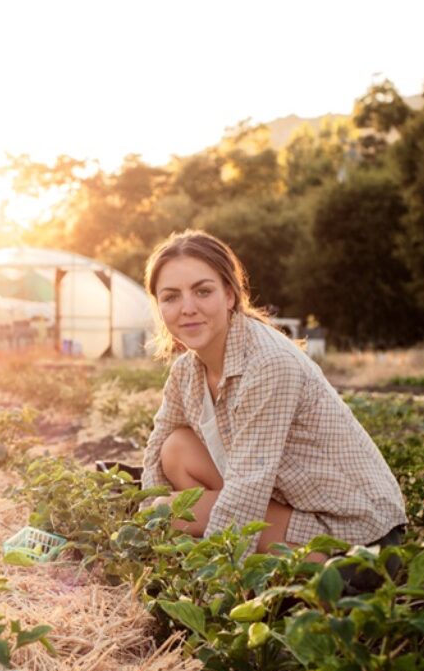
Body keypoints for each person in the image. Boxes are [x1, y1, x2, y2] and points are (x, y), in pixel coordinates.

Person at [140, 230, 406, 560]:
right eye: (171, 297)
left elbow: (249, 484)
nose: (187, 308)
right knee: (175, 449)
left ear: (229, 296)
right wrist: (143, 523)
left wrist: (214, 575)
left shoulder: (269, 363)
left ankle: (257, 568)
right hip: (287, 504)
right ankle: (249, 558)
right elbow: (156, 450)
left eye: (202, 291)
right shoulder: (186, 371)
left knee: (173, 513)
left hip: (357, 535)